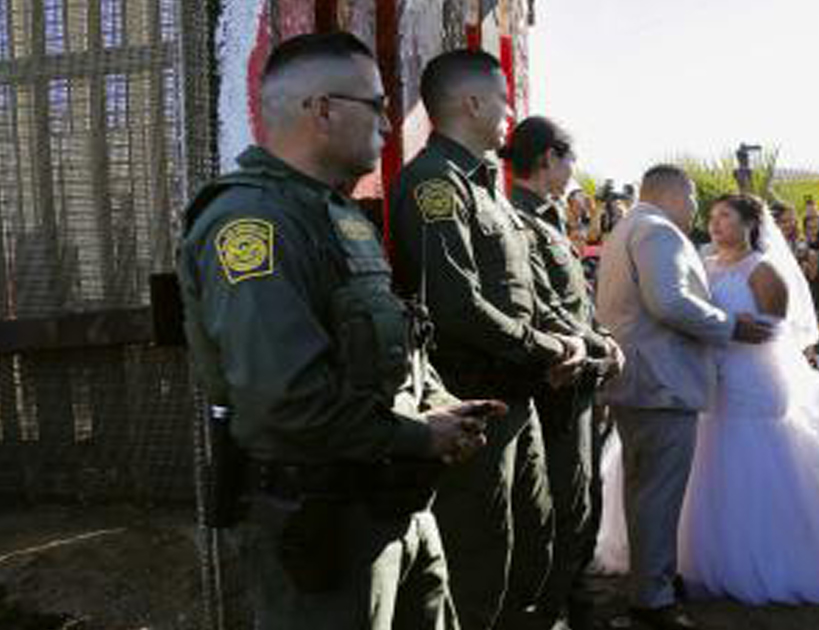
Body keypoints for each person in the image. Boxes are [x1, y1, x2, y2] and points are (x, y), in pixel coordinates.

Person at [176, 32, 498, 629]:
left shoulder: (336, 213)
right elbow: (287, 401)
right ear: (322, 110)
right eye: (375, 105)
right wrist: (419, 437)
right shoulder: (253, 222)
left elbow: (386, 345)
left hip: (393, 506)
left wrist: (440, 407)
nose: (388, 123)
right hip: (326, 523)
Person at [387, 49, 588, 630]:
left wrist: (562, 338)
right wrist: (548, 348)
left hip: (516, 395)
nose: (510, 111)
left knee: (532, 540)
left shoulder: (485, 186)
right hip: (473, 403)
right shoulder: (433, 185)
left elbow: (516, 288)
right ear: (471, 103)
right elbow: (456, 306)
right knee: (481, 557)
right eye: (502, 98)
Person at [594, 165, 773, 630]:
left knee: (643, 491)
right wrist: (730, 325)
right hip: (661, 382)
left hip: (637, 381)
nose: (696, 208)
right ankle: (652, 602)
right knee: (657, 495)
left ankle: (650, 585)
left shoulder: (625, 228)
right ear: (674, 192)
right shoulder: (659, 231)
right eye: (693, 197)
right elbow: (670, 302)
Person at [677, 194, 819, 605]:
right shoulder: (703, 265)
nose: (715, 224)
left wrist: (733, 330)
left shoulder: (763, 272)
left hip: (751, 381)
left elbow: (774, 334)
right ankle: (715, 561)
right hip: (710, 381)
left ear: (751, 224)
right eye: (712, 217)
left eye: (726, 216)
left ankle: (767, 562)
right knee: (712, 466)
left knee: (754, 467)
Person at [500, 115, 625, 630]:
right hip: (554, 389)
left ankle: (575, 606)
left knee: (581, 505)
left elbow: (577, 305)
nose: (575, 171)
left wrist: (600, 347)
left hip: (578, 379)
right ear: (549, 157)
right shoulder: (521, 221)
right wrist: (603, 349)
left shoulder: (548, 217)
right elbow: (546, 308)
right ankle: (552, 612)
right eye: (570, 158)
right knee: (560, 513)